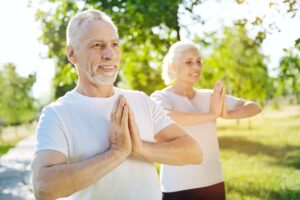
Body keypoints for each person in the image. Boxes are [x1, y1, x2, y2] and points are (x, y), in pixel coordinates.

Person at [31, 11, 203, 200]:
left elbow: (193, 152)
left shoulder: (141, 101)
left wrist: (141, 148)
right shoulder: (57, 114)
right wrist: (115, 153)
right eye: (97, 45)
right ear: (72, 54)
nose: (110, 54)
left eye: (114, 44)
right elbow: (44, 187)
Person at [150, 41, 262, 200]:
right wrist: (211, 115)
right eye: (189, 62)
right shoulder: (160, 97)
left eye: (198, 61)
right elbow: (167, 117)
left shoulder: (208, 96)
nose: (196, 67)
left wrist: (227, 114)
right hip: (178, 186)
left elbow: (254, 107)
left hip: (213, 182)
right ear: (174, 67)